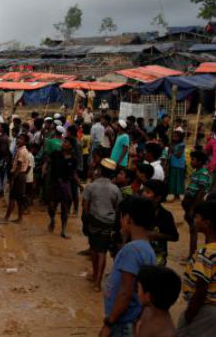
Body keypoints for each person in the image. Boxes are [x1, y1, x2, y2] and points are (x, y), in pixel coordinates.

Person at [100, 195, 157, 337]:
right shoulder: (146, 248)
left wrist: (109, 323)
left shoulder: (131, 251)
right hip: (133, 318)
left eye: (121, 217)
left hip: (121, 322)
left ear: (128, 219)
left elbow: (125, 293)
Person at [177, 200, 216, 335]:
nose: (193, 220)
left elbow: (201, 289)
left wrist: (189, 314)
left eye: (196, 217)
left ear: (206, 223)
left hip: (204, 309)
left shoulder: (206, 254)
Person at [83, 158, 122, 292]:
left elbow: (86, 207)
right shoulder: (115, 189)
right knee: (102, 252)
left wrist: (86, 222)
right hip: (108, 223)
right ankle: (98, 282)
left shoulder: (91, 186)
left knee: (94, 250)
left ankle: (95, 278)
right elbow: (118, 210)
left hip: (94, 221)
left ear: (100, 170)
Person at [135, 265, 182, 337]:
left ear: (148, 296)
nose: (137, 293)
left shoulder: (167, 334)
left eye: (138, 288)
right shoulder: (146, 311)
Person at [182, 151, 212, 259]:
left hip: (196, 205)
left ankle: (200, 255)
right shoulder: (197, 172)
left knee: (199, 230)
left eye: (193, 160)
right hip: (191, 205)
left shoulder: (203, 173)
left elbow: (201, 191)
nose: (191, 161)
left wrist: (193, 209)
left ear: (199, 161)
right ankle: (193, 254)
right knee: (193, 229)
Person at [142, 179, 179, 267]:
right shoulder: (138, 211)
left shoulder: (165, 215)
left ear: (158, 198)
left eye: (147, 192)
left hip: (157, 258)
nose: (143, 194)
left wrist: (155, 235)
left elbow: (174, 237)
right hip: (139, 255)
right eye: (143, 191)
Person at [48, 136, 79, 238]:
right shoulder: (56, 153)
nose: (63, 143)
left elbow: (74, 173)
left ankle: (63, 230)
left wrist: (79, 185)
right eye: (64, 142)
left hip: (65, 184)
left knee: (65, 209)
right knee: (51, 206)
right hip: (54, 183)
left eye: (66, 142)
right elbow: (47, 160)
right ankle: (52, 219)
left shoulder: (73, 159)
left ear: (71, 146)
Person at [0, 133, 29, 224]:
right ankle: (19, 218)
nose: (19, 140)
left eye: (21, 139)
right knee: (19, 198)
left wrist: (13, 178)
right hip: (21, 175)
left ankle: (6, 218)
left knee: (13, 198)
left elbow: (19, 166)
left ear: (25, 141)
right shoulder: (22, 150)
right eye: (19, 138)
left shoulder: (22, 151)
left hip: (18, 175)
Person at [167, 129, 186, 201]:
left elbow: (178, 155)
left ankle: (177, 195)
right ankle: (175, 195)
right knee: (173, 180)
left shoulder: (182, 144)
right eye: (173, 136)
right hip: (173, 164)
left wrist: (172, 149)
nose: (174, 138)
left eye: (176, 137)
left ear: (180, 137)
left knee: (178, 180)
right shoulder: (174, 144)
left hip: (179, 165)